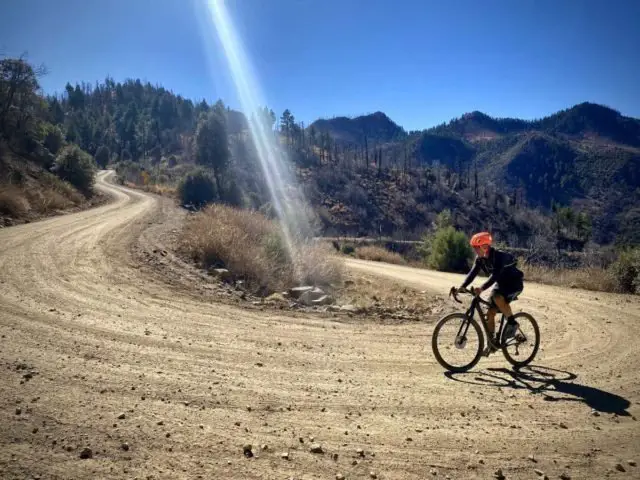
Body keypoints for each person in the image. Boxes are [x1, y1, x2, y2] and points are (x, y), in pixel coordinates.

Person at [457, 231, 524, 355]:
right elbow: (472, 274)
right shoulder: (480, 259)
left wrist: (481, 288)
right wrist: (462, 287)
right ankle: (492, 344)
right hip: (501, 284)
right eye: (474, 248)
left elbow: (495, 275)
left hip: (514, 283)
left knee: (497, 297)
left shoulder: (499, 257)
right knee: (490, 312)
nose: (475, 251)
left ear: (484, 247)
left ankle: (512, 323)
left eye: (476, 248)